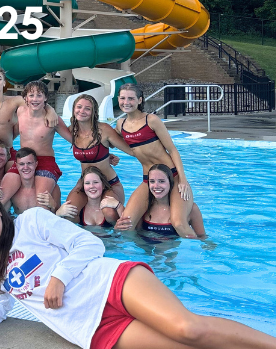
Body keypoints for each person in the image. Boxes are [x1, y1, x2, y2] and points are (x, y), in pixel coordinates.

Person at [0, 188, 276, 349]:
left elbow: (88, 243)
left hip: (109, 284)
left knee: (189, 329)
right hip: (91, 327)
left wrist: (59, 277)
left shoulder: (31, 220)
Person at [114, 84, 199, 238]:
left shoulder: (151, 120)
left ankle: (203, 251)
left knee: (179, 223)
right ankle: (141, 254)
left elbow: (172, 150)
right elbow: (115, 143)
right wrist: (109, 156)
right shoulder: (121, 124)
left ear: (139, 100)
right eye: (123, 98)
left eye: (131, 98)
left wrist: (183, 180)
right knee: (126, 223)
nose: (126, 102)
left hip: (172, 176)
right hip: (148, 180)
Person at [0, 81, 72, 212]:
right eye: (31, 95)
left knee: (42, 202)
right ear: (25, 98)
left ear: (45, 98)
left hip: (45, 162)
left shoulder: (53, 119)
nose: (35, 99)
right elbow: (8, 136)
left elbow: (73, 140)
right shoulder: (20, 112)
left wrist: (104, 153)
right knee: (0, 198)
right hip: (23, 160)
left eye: (39, 95)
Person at [63, 95, 133, 212]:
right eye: (79, 107)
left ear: (94, 112)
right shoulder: (72, 131)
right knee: (69, 212)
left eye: (87, 108)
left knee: (109, 213)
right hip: (85, 183)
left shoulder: (104, 130)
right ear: (74, 109)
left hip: (110, 184)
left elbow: (131, 151)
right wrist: (50, 110)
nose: (82, 111)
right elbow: (53, 127)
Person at [115, 164, 205, 238]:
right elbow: (133, 235)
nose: (156, 186)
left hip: (172, 256)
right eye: (152, 181)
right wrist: (117, 227)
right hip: (145, 253)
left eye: (161, 181)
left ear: (171, 183)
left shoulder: (191, 209)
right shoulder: (144, 208)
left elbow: (202, 238)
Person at [0, 148, 55, 214]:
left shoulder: (50, 190)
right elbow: (0, 214)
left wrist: (53, 206)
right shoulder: (12, 193)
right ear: (17, 165)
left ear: (36, 164)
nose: (26, 167)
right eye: (21, 164)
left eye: (29, 163)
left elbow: (59, 217)